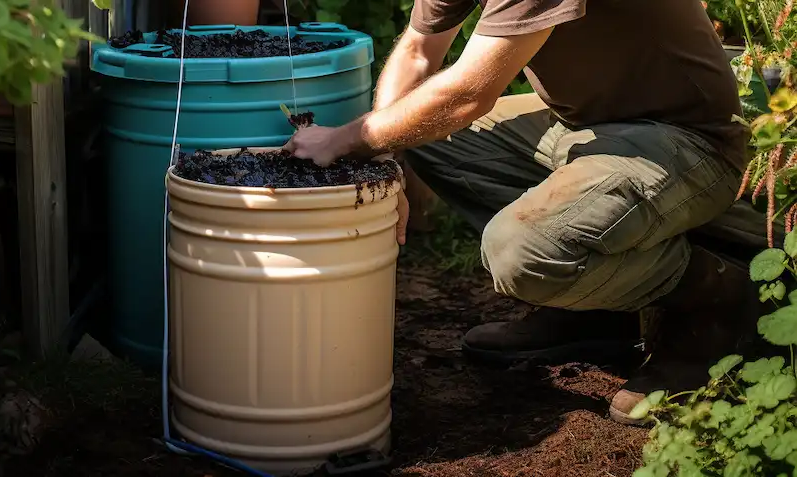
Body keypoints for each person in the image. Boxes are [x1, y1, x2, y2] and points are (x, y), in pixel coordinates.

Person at [282, 0, 758, 425]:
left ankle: (714, 303)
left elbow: (468, 94)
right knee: (418, 131)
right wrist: (382, 156)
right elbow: (417, 52)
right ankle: (599, 310)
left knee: (520, 250)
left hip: (686, 140)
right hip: (582, 125)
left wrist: (347, 139)